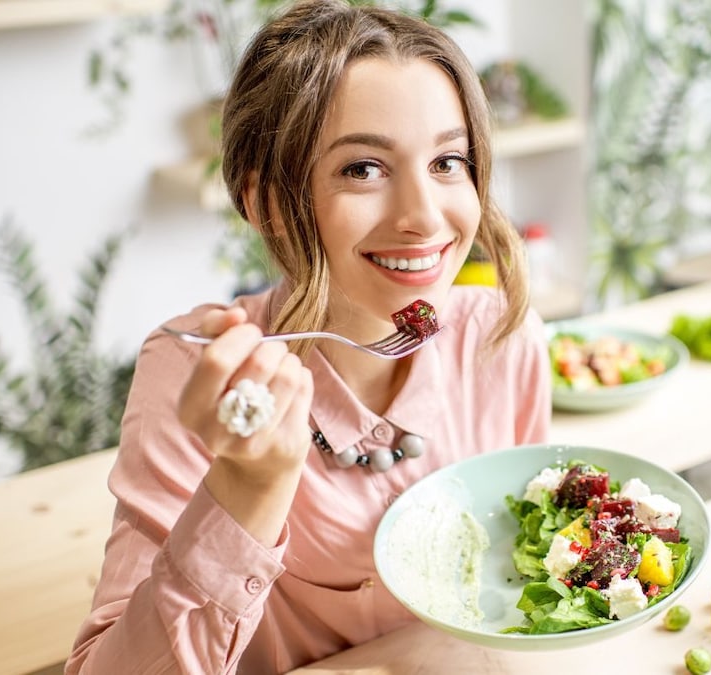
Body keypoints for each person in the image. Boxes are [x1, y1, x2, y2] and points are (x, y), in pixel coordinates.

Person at [65, 1, 551, 672]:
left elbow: (525, 577)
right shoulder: (197, 376)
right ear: (265, 203)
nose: (423, 216)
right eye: (363, 169)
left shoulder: (502, 338)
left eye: (448, 161)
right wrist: (248, 487)